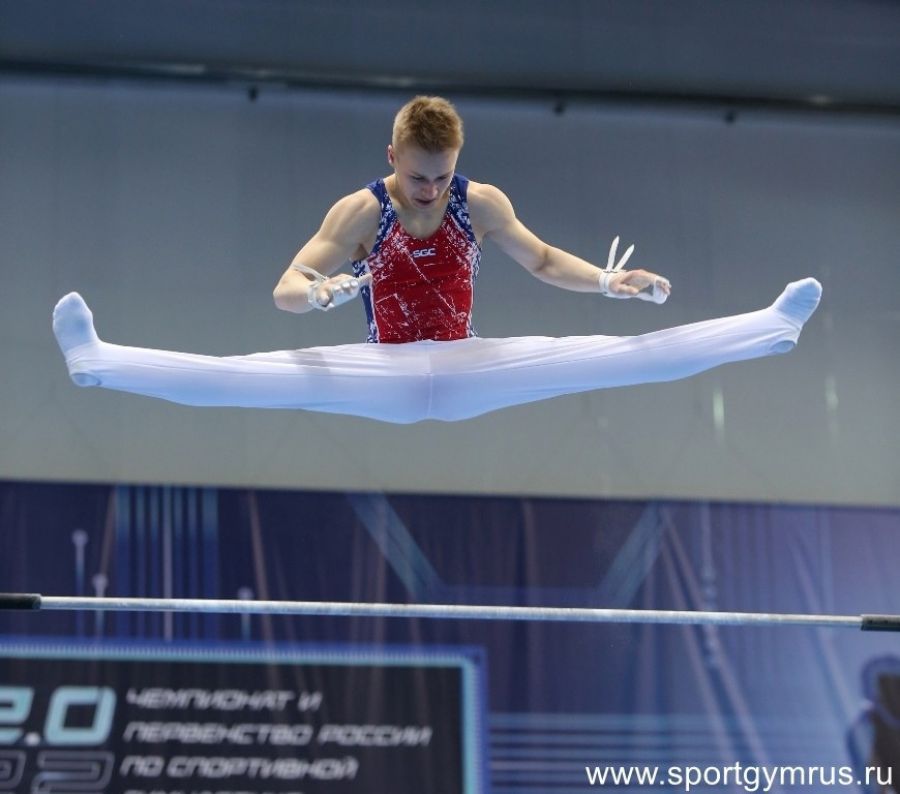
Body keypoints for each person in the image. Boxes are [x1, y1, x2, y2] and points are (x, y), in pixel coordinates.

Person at [52, 96, 821, 424]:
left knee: (617, 358)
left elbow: (541, 259)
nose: (430, 191)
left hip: (467, 366)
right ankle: (98, 361)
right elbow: (286, 288)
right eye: (419, 177)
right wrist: (317, 296)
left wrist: (607, 281)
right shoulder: (361, 211)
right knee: (238, 379)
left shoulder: (478, 202)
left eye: (443, 176)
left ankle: (768, 329)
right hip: (380, 372)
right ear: (392, 157)